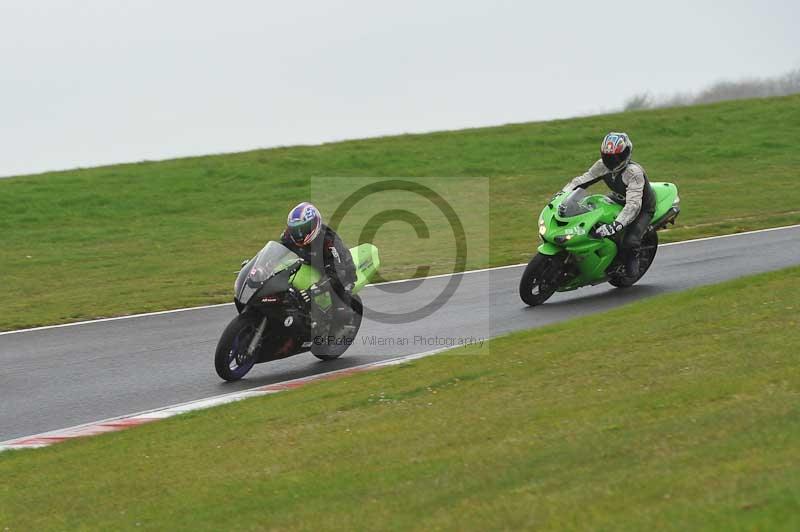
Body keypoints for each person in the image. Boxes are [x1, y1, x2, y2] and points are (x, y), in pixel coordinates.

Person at [561, 132, 655, 278]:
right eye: (608, 157)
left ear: (626, 153)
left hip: (642, 207)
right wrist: (563, 193)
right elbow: (583, 179)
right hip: (617, 199)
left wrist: (614, 226)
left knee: (629, 242)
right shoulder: (602, 165)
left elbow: (633, 206)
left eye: (617, 157)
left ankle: (633, 256)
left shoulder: (634, 173)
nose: (612, 162)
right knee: (588, 211)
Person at [280, 202, 356, 311]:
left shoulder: (328, 242)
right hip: (310, 264)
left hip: (338, 270)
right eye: (295, 230)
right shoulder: (290, 235)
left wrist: (315, 290)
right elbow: (277, 251)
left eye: (303, 229)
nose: (298, 234)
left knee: (339, 304)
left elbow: (337, 274)